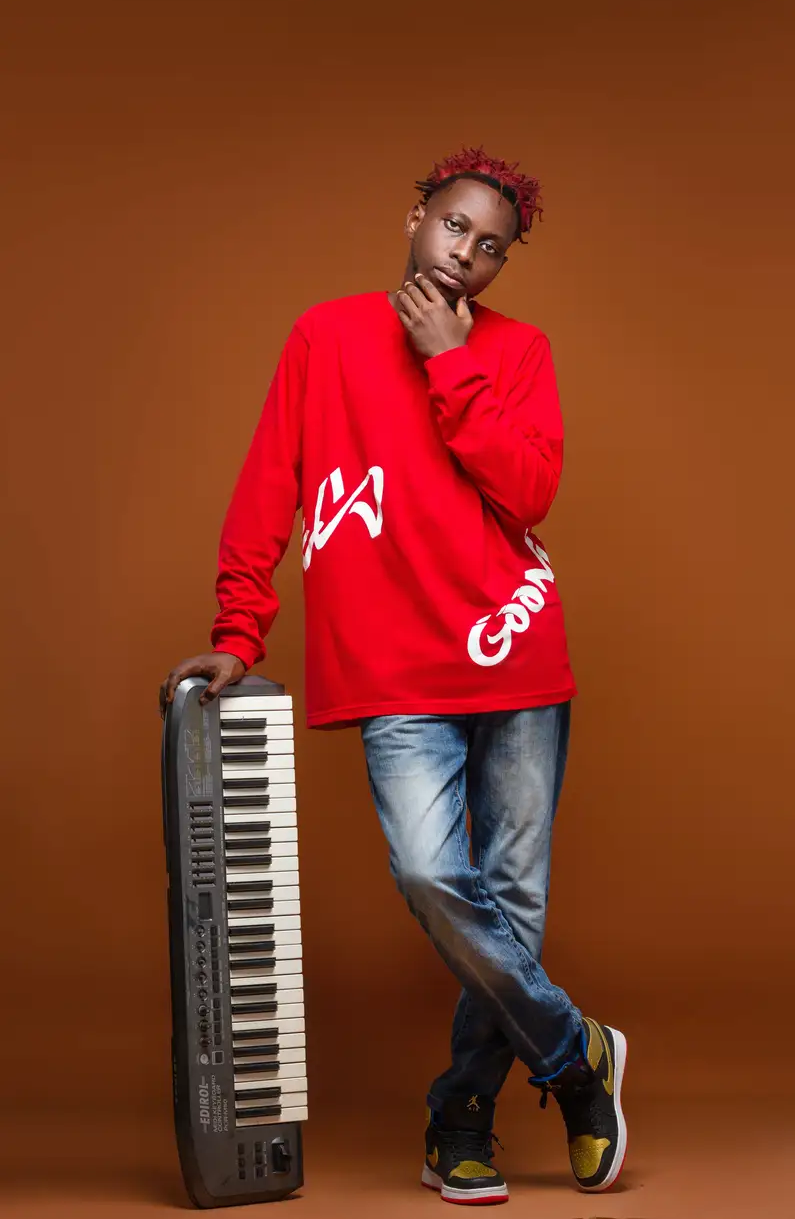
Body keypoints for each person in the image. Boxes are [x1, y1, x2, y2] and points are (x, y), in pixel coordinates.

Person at [160, 147, 627, 1206]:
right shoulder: (324, 335)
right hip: (394, 666)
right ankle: (575, 1050)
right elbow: (268, 479)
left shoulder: (517, 350)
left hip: (513, 651)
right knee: (428, 873)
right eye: (454, 227)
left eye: (491, 247)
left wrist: (449, 362)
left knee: (509, 901)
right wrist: (242, 626)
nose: (467, 254)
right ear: (416, 214)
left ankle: (461, 1117)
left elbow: (528, 486)